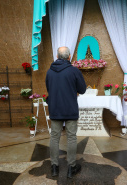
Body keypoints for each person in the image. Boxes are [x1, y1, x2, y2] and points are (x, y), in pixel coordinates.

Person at [45, 46, 86, 178]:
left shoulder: (49, 72)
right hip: (70, 109)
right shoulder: (74, 71)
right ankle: (71, 168)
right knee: (72, 137)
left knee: (54, 137)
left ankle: (54, 167)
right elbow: (83, 89)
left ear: (57, 57)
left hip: (55, 108)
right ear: (69, 57)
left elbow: (49, 88)